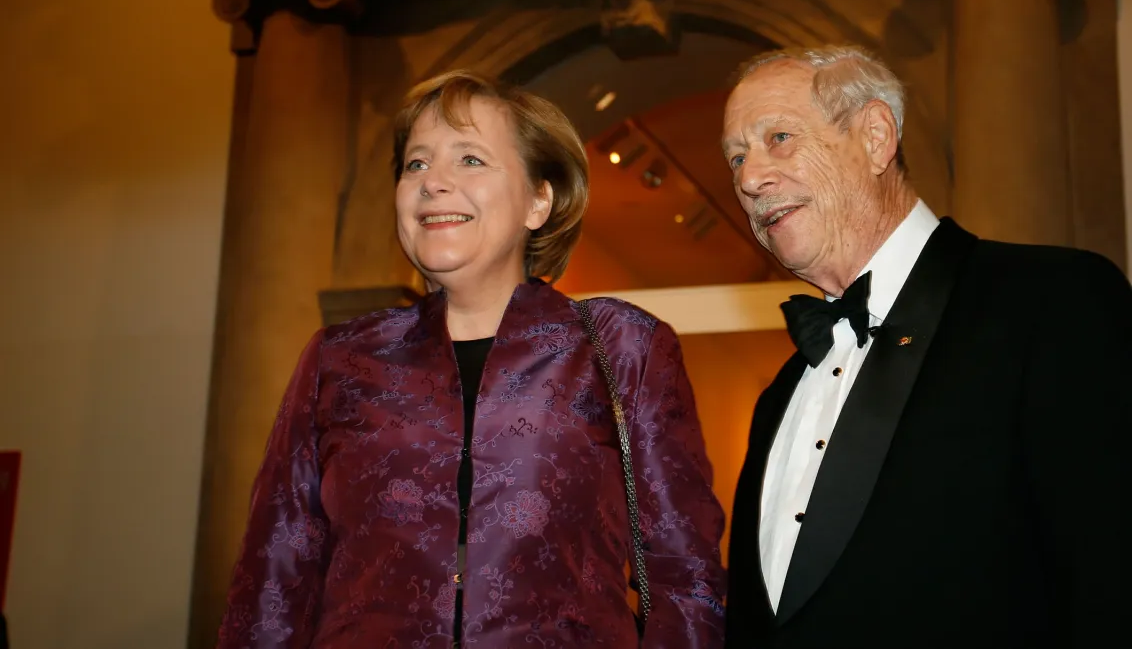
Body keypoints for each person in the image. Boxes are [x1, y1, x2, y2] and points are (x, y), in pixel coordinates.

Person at [216, 70, 726, 648]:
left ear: (539, 200)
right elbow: (274, 579)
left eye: (470, 160)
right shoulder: (341, 358)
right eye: (416, 164)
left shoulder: (620, 346)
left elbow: (685, 576)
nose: (433, 183)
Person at [720, 45, 1131, 647]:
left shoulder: (1052, 302)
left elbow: (1112, 575)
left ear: (876, 135)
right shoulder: (781, 393)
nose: (750, 179)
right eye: (736, 158)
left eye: (778, 137)